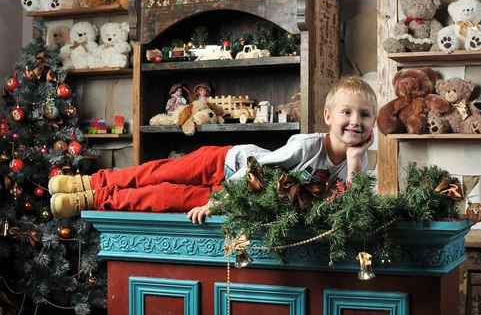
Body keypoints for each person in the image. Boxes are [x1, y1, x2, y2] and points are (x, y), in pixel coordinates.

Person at [48, 76, 377, 222]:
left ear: (374, 121)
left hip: (235, 196)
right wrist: (221, 200)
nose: (355, 121)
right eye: (346, 112)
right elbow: (259, 170)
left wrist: (355, 159)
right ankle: (90, 183)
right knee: (155, 173)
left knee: (163, 198)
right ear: (328, 116)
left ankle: (93, 200)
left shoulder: (355, 162)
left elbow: (353, 206)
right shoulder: (308, 145)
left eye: (364, 114)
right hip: (227, 163)